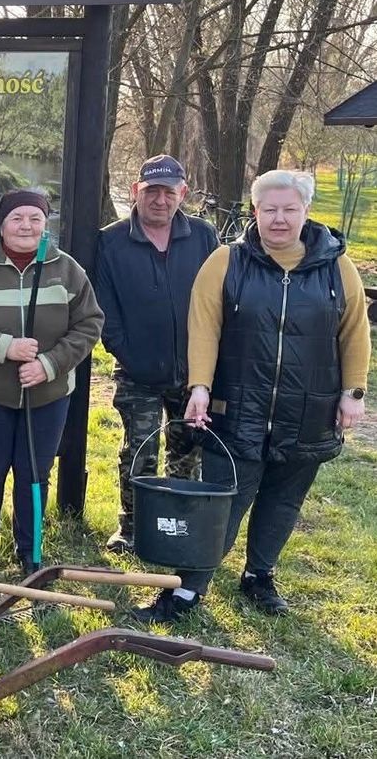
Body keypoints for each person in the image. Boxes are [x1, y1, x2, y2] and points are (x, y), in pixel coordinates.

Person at [133, 170, 370, 624]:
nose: (279, 219)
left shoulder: (337, 267)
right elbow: (204, 329)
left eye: (290, 209)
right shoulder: (227, 261)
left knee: (283, 500)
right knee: (223, 501)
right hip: (238, 408)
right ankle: (188, 588)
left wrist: (353, 392)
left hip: (309, 409)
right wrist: (199, 387)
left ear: (305, 211)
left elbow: (354, 332)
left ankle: (259, 575)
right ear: (255, 212)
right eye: (270, 210)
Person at [0, 191, 103, 579]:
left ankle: (30, 553)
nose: (26, 226)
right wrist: (4, 347)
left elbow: (89, 324)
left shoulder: (67, 269)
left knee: (34, 475)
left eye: (35, 218)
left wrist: (49, 364)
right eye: (17, 218)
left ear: (45, 224)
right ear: (1, 225)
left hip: (48, 394)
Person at [95, 155, 217, 553]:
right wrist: (127, 353)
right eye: (151, 191)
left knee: (187, 451)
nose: (160, 200)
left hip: (193, 371)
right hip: (137, 371)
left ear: (183, 193)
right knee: (139, 451)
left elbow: (220, 297)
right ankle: (131, 527)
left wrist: (206, 367)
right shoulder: (111, 241)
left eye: (168, 192)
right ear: (136, 191)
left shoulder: (202, 236)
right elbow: (104, 310)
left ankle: (177, 524)